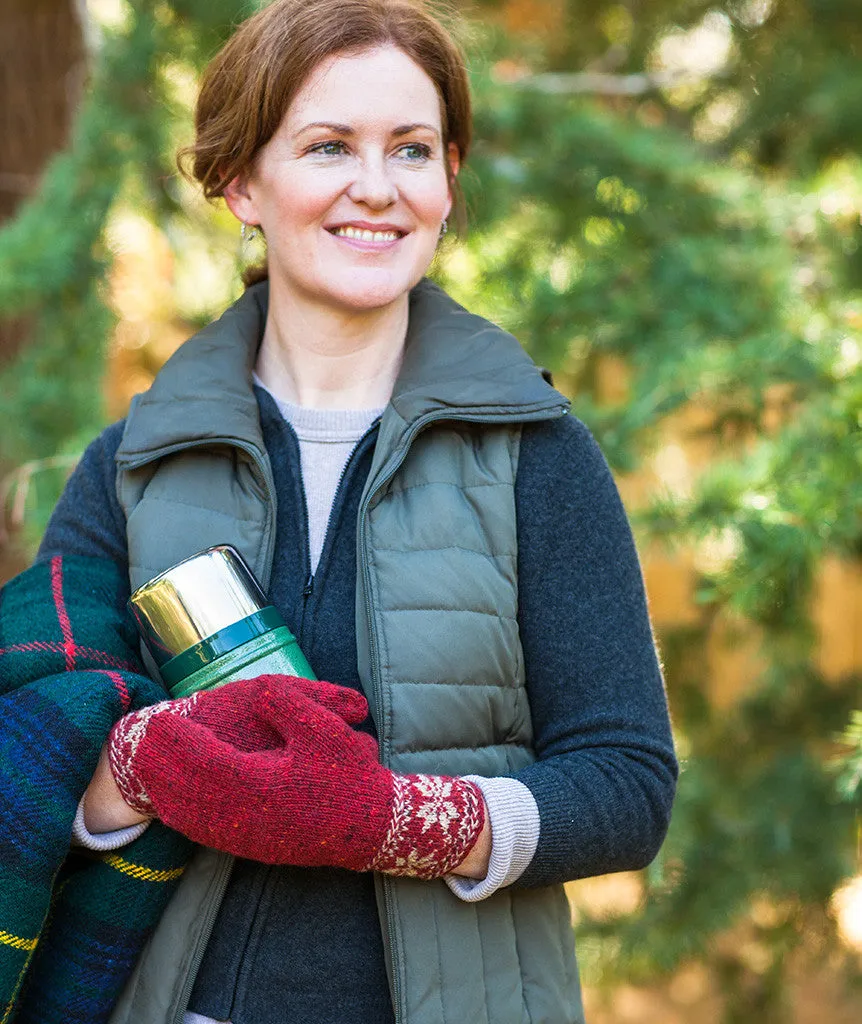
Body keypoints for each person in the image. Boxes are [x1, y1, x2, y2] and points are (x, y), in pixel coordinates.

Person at [0, 1, 678, 1021]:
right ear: (241, 183)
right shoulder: (131, 464)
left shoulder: (537, 456)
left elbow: (627, 785)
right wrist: (145, 767)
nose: (377, 187)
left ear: (449, 178)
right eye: (327, 147)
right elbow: (33, 738)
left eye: (411, 148)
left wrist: (391, 820)